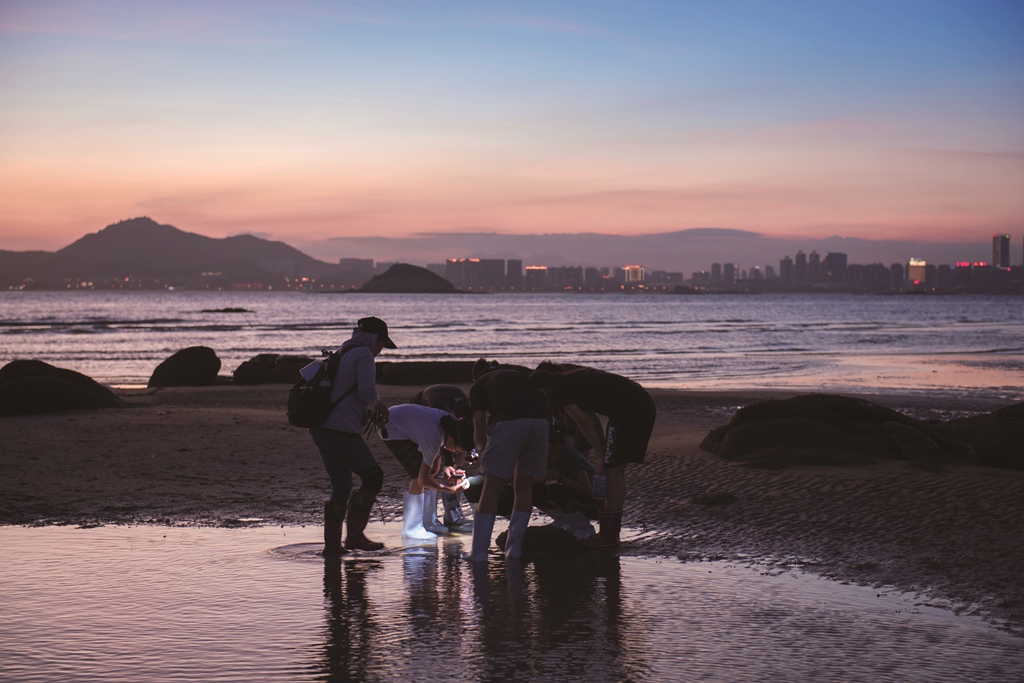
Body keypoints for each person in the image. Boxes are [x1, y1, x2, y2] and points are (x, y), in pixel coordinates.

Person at [531, 367, 656, 548]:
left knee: (612, 472)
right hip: (641, 405)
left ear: (542, 389)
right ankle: (609, 534)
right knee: (614, 471)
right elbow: (592, 418)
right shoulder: (568, 382)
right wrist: (603, 448)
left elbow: (583, 421)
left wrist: (600, 454)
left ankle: (609, 536)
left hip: (629, 411)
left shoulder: (558, 390)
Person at [308, 316, 396, 557]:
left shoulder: (342, 352)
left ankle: (333, 547)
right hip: (340, 429)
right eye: (381, 344)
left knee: (342, 485)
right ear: (372, 339)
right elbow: (367, 391)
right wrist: (379, 406)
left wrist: (367, 411)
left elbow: (344, 393)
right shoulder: (364, 354)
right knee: (373, 476)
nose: (380, 351)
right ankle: (355, 535)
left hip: (321, 427)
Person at [464, 359, 550, 562]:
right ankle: (514, 550)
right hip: (542, 422)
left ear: (475, 377)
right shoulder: (516, 377)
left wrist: (481, 455)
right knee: (524, 486)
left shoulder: (478, 385)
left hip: (510, 422)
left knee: (491, 487)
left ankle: (478, 553)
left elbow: (479, 433)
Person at [379, 403, 475, 540]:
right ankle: (412, 528)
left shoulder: (450, 425)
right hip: (391, 426)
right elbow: (422, 479)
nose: (457, 452)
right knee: (418, 474)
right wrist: (450, 489)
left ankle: (427, 521)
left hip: (410, 424)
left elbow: (438, 449)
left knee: (434, 472)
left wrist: (439, 466)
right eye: (458, 449)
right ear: (451, 438)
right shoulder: (433, 437)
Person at [410, 384, 474, 531]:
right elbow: (441, 442)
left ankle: (452, 515)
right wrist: (448, 464)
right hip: (420, 418)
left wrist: (459, 467)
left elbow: (462, 444)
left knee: (455, 470)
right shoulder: (441, 411)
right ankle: (428, 519)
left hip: (445, 421)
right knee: (431, 469)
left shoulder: (470, 413)